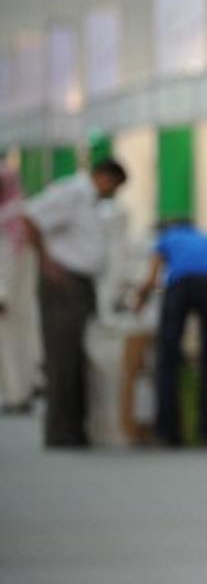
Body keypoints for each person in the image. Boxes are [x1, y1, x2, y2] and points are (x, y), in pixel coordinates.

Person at [22, 158, 127, 447]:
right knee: (62, 358)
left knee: (79, 358)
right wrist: (46, 263)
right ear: (104, 177)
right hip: (63, 285)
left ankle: (76, 429)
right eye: (114, 187)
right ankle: (60, 432)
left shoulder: (89, 199)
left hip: (80, 285)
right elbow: (30, 218)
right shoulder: (72, 191)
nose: (113, 194)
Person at [133, 219, 207, 446]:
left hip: (180, 285)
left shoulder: (166, 238)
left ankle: (167, 434)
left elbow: (152, 278)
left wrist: (139, 300)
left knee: (167, 357)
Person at [0, 167, 42, 414]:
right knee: (22, 344)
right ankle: (19, 393)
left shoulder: (9, 218)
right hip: (21, 302)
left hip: (9, 299)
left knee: (11, 346)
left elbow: (7, 261)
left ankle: (16, 395)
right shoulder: (21, 214)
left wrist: (2, 293)